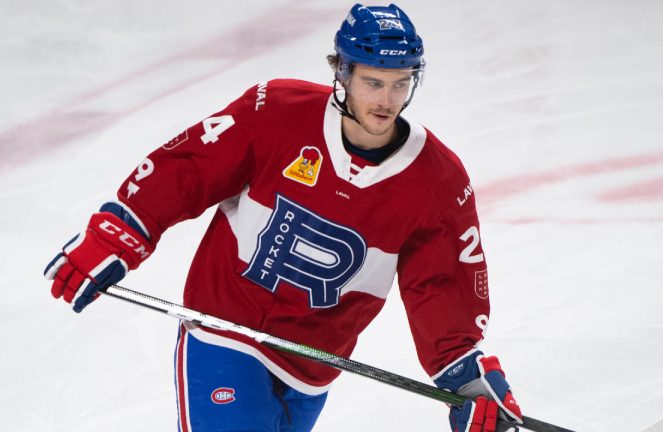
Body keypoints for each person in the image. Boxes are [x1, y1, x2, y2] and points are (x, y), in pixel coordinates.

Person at [43, 3, 523, 431]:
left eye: (400, 83)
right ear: (343, 72)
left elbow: (443, 283)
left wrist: (463, 373)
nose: (386, 100)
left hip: (316, 362)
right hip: (225, 329)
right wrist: (113, 236)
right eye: (373, 82)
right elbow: (185, 171)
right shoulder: (276, 110)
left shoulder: (437, 179)